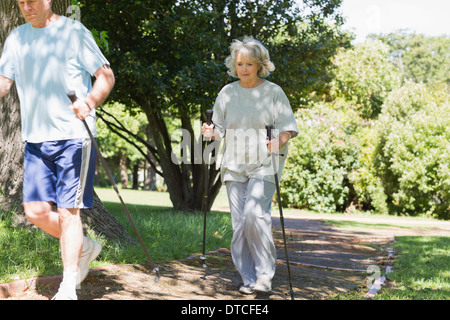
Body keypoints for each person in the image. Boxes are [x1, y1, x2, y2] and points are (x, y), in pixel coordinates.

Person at [0, 0, 115, 300]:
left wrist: (88, 102)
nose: (26, 7)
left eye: (32, 1)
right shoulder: (16, 38)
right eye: (21, 2)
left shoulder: (74, 33)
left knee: (68, 212)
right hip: (35, 139)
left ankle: (68, 285)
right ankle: (85, 247)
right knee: (35, 211)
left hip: (74, 137)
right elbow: (3, 82)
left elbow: (105, 76)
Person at [202, 37, 298, 295]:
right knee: (240, 223)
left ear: (259, 65)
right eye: (240, 64)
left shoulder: (273, 92)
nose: (243, 69)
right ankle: (248, 276)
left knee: (254, 215)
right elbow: (218, 130)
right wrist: (210, 132)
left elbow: (289, 127)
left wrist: (280, 139)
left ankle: (265, 276)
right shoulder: (227, 93)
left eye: (249, 64)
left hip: (266, 163)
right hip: (234, 164)